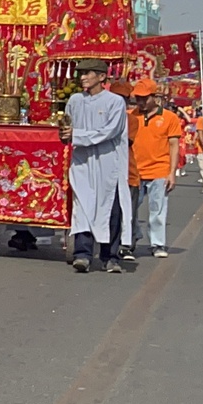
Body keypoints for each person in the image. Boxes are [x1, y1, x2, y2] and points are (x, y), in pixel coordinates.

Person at [65, 60, 132, 273]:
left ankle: (110, 256)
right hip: (83, 162)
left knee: (110, 208)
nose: (83, 77)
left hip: (108, 163)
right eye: (81, 74)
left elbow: (110, 131)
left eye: (87, 73)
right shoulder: (75, 100)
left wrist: (77, 135)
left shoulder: (115, 102)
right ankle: (82, 254)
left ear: (102, 77)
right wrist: (65, 134)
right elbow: (67, 126)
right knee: (83, 207)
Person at [127, 81, 182, 259]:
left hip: (159, 170)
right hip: (134, 171)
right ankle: (130, 240)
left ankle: (158, 244)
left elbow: (174, 146)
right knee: (130, 210)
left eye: (144, 98)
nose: (140, 102)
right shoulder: (130, 116)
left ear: (154, 97)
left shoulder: (169, 118)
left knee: (157, 211)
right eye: (138, 98)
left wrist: (172, 172)